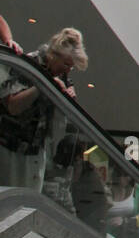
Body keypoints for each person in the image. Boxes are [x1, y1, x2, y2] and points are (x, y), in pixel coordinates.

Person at [0, 28, 88, 189]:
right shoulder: (27, 65)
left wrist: (67, 100)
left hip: (36, 150)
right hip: (9, 147)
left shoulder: (63, 77)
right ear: (54, 55)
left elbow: (61, 122)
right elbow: (12, 106)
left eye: (71, 67)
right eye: (66, 64)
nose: (68, 70)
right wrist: (43, 86)